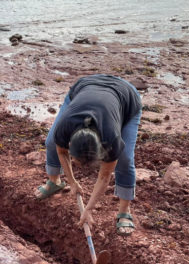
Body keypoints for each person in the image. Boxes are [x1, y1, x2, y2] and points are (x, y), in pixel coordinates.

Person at [35, 74, 142, 236]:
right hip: (86, 87)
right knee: (51, 142)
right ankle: (54, 181)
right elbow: (61, 152)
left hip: (126, 96)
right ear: (70, 144)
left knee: (125, 159)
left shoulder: (111, 138)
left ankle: (124, 210)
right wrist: (72, 182)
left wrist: (89, 209)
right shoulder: (64, 128)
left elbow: (104, 176)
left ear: (102, 149)